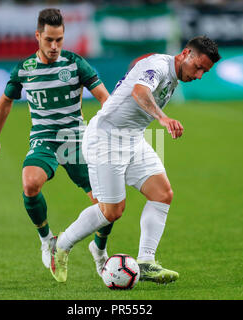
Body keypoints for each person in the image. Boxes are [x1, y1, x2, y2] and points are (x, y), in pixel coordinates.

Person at [49, 36, 221, 283]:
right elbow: (139, 91)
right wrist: (163, 118)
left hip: (132, 139)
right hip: (105, 139)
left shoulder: (174, 73)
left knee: (163, 194)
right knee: (112, 211)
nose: (200, 75)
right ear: (186, 54)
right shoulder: (159, 67)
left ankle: (146, 261)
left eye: (205, 70)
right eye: (199, 67)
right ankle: (61, 245)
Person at [0, 8, 112, 272]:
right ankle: (47, 240)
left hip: (76, 140)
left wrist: (108, 129)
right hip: (44, 139)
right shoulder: (24, 69)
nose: (54, 46)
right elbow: (5, 102)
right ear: (37, 36)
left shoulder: (75, 63)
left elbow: (104, 98)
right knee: (30, 184)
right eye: (49, 40)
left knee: (109, 204)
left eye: (59, 40)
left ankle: (99, 250)